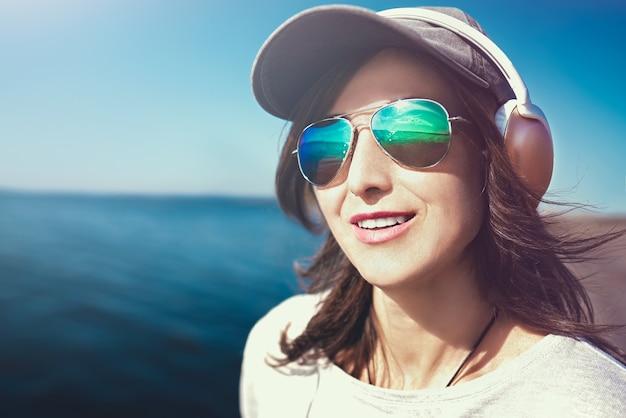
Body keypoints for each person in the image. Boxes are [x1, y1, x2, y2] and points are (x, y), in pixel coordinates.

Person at [240, 5, 626, 417]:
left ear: (508, 155)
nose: (360, 180)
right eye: (325, 144)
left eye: (411, 130)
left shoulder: (588, 405)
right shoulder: (276, 348)